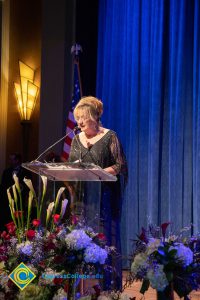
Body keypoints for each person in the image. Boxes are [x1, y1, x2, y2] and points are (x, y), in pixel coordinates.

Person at [68, 96, 128, 291]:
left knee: (104, 245)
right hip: (82, 201)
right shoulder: (76, 139)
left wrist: (99, 174)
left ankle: (108, 290)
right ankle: (80, 290)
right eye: (77, 118)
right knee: (80, 244)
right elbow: (70, 166)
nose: (79, 122)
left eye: (83, 117)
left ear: (94, 117)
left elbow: (120, 165)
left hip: (104, 200)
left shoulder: (110, 136)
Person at [0, 153, 32, 231]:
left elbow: (29, 186)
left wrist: (22, 189)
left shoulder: (25, 171)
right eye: (9, 159)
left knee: (19, 219)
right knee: (8, 219)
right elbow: (3, 186)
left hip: (20, 200)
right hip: (8, 200)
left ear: (17, 160)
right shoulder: (6, 171)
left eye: (12, 159)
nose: (9, 161)